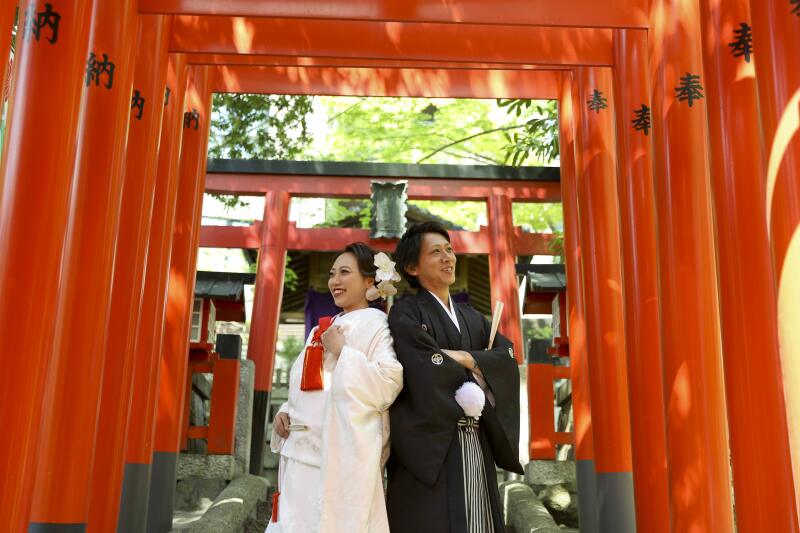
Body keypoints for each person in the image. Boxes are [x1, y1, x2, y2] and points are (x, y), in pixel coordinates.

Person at [386, 222, 523, 533]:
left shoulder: (472, 318)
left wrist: (465, 357)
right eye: (436, 252)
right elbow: (420, 364)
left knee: (479, 520)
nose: (448, 257)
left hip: (476, 439)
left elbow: (507, 358)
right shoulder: (406, 314)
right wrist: (478, 366)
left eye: (449, 250)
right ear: (412, 267)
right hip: (431, 446)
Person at [267, 243, 403, 533]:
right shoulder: (321, 329)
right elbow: (304, 386)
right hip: (301, 451)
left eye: (344, 272)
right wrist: (286, 411)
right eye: (332, 274)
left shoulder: (378, 326)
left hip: (339, 458)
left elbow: (389, 381)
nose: (334, 281)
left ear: (370, 281)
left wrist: (345, 354)